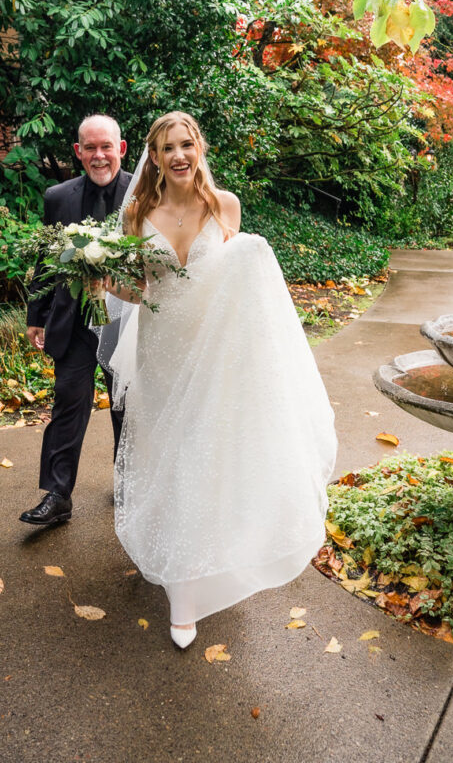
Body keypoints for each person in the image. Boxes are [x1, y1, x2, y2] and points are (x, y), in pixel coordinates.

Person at [104, 112, 337, 648]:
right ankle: (178, 565)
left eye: (186, 144)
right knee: (169, 458)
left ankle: (188, 594)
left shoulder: (224, 206)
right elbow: (135, 291)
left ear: (199, 149)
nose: (178, 155)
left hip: (213, 352)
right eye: (167, 148)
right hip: (162, 352)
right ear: (153, 157)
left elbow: (238, 283)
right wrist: (101, 278)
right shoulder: (137, 214)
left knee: (203, 458)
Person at [20, 114, 132, 529]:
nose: (99, 155)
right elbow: (46, 259)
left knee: (127, 406)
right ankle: (57, 495)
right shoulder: (57, 197)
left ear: (121, 149)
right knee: (68, 400)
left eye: (106, 147)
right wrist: (36, 314)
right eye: (90, 148)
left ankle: (129, 483)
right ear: (78, 152)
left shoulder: (144, 193)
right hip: (74, 321)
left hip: (125, 323)